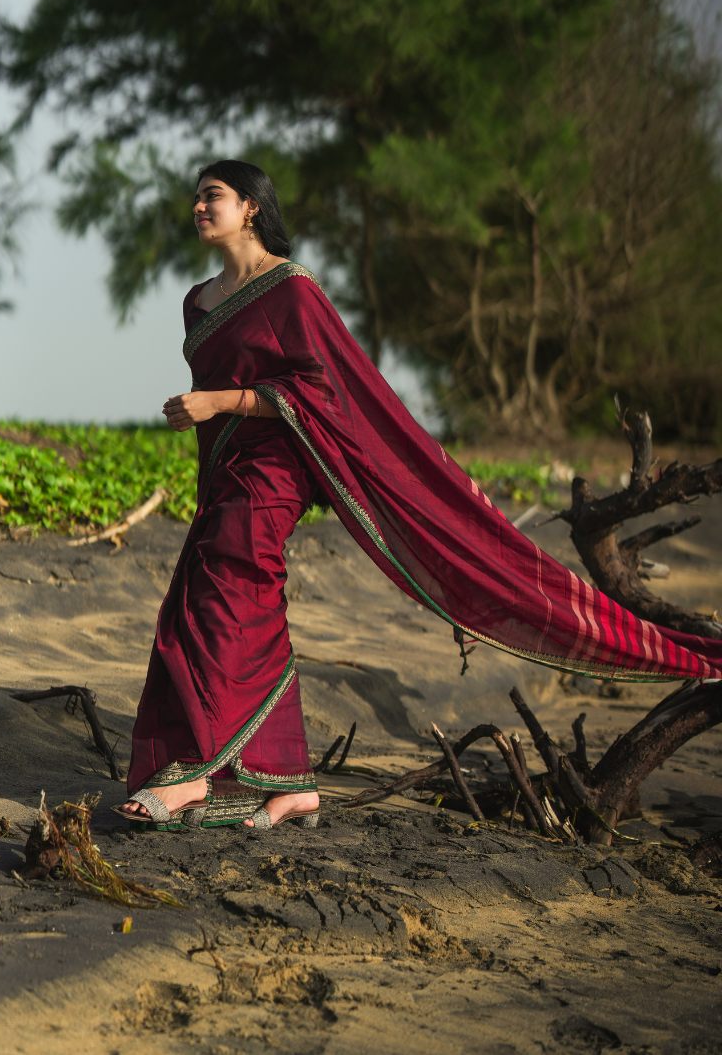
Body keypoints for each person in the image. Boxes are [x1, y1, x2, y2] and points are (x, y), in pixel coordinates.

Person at [117, 159, 722, 833]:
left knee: (225, 583)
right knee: (225, 589)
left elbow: (320, 393)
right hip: (226, 469)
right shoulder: (197, 299)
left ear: (252, 207)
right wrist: (203, 413)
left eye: (213, 196)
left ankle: (197, 772)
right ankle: (289, 782)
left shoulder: (292, 291)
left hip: (280, 466)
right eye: (197, 198)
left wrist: (218, 400)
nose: (199, 207)